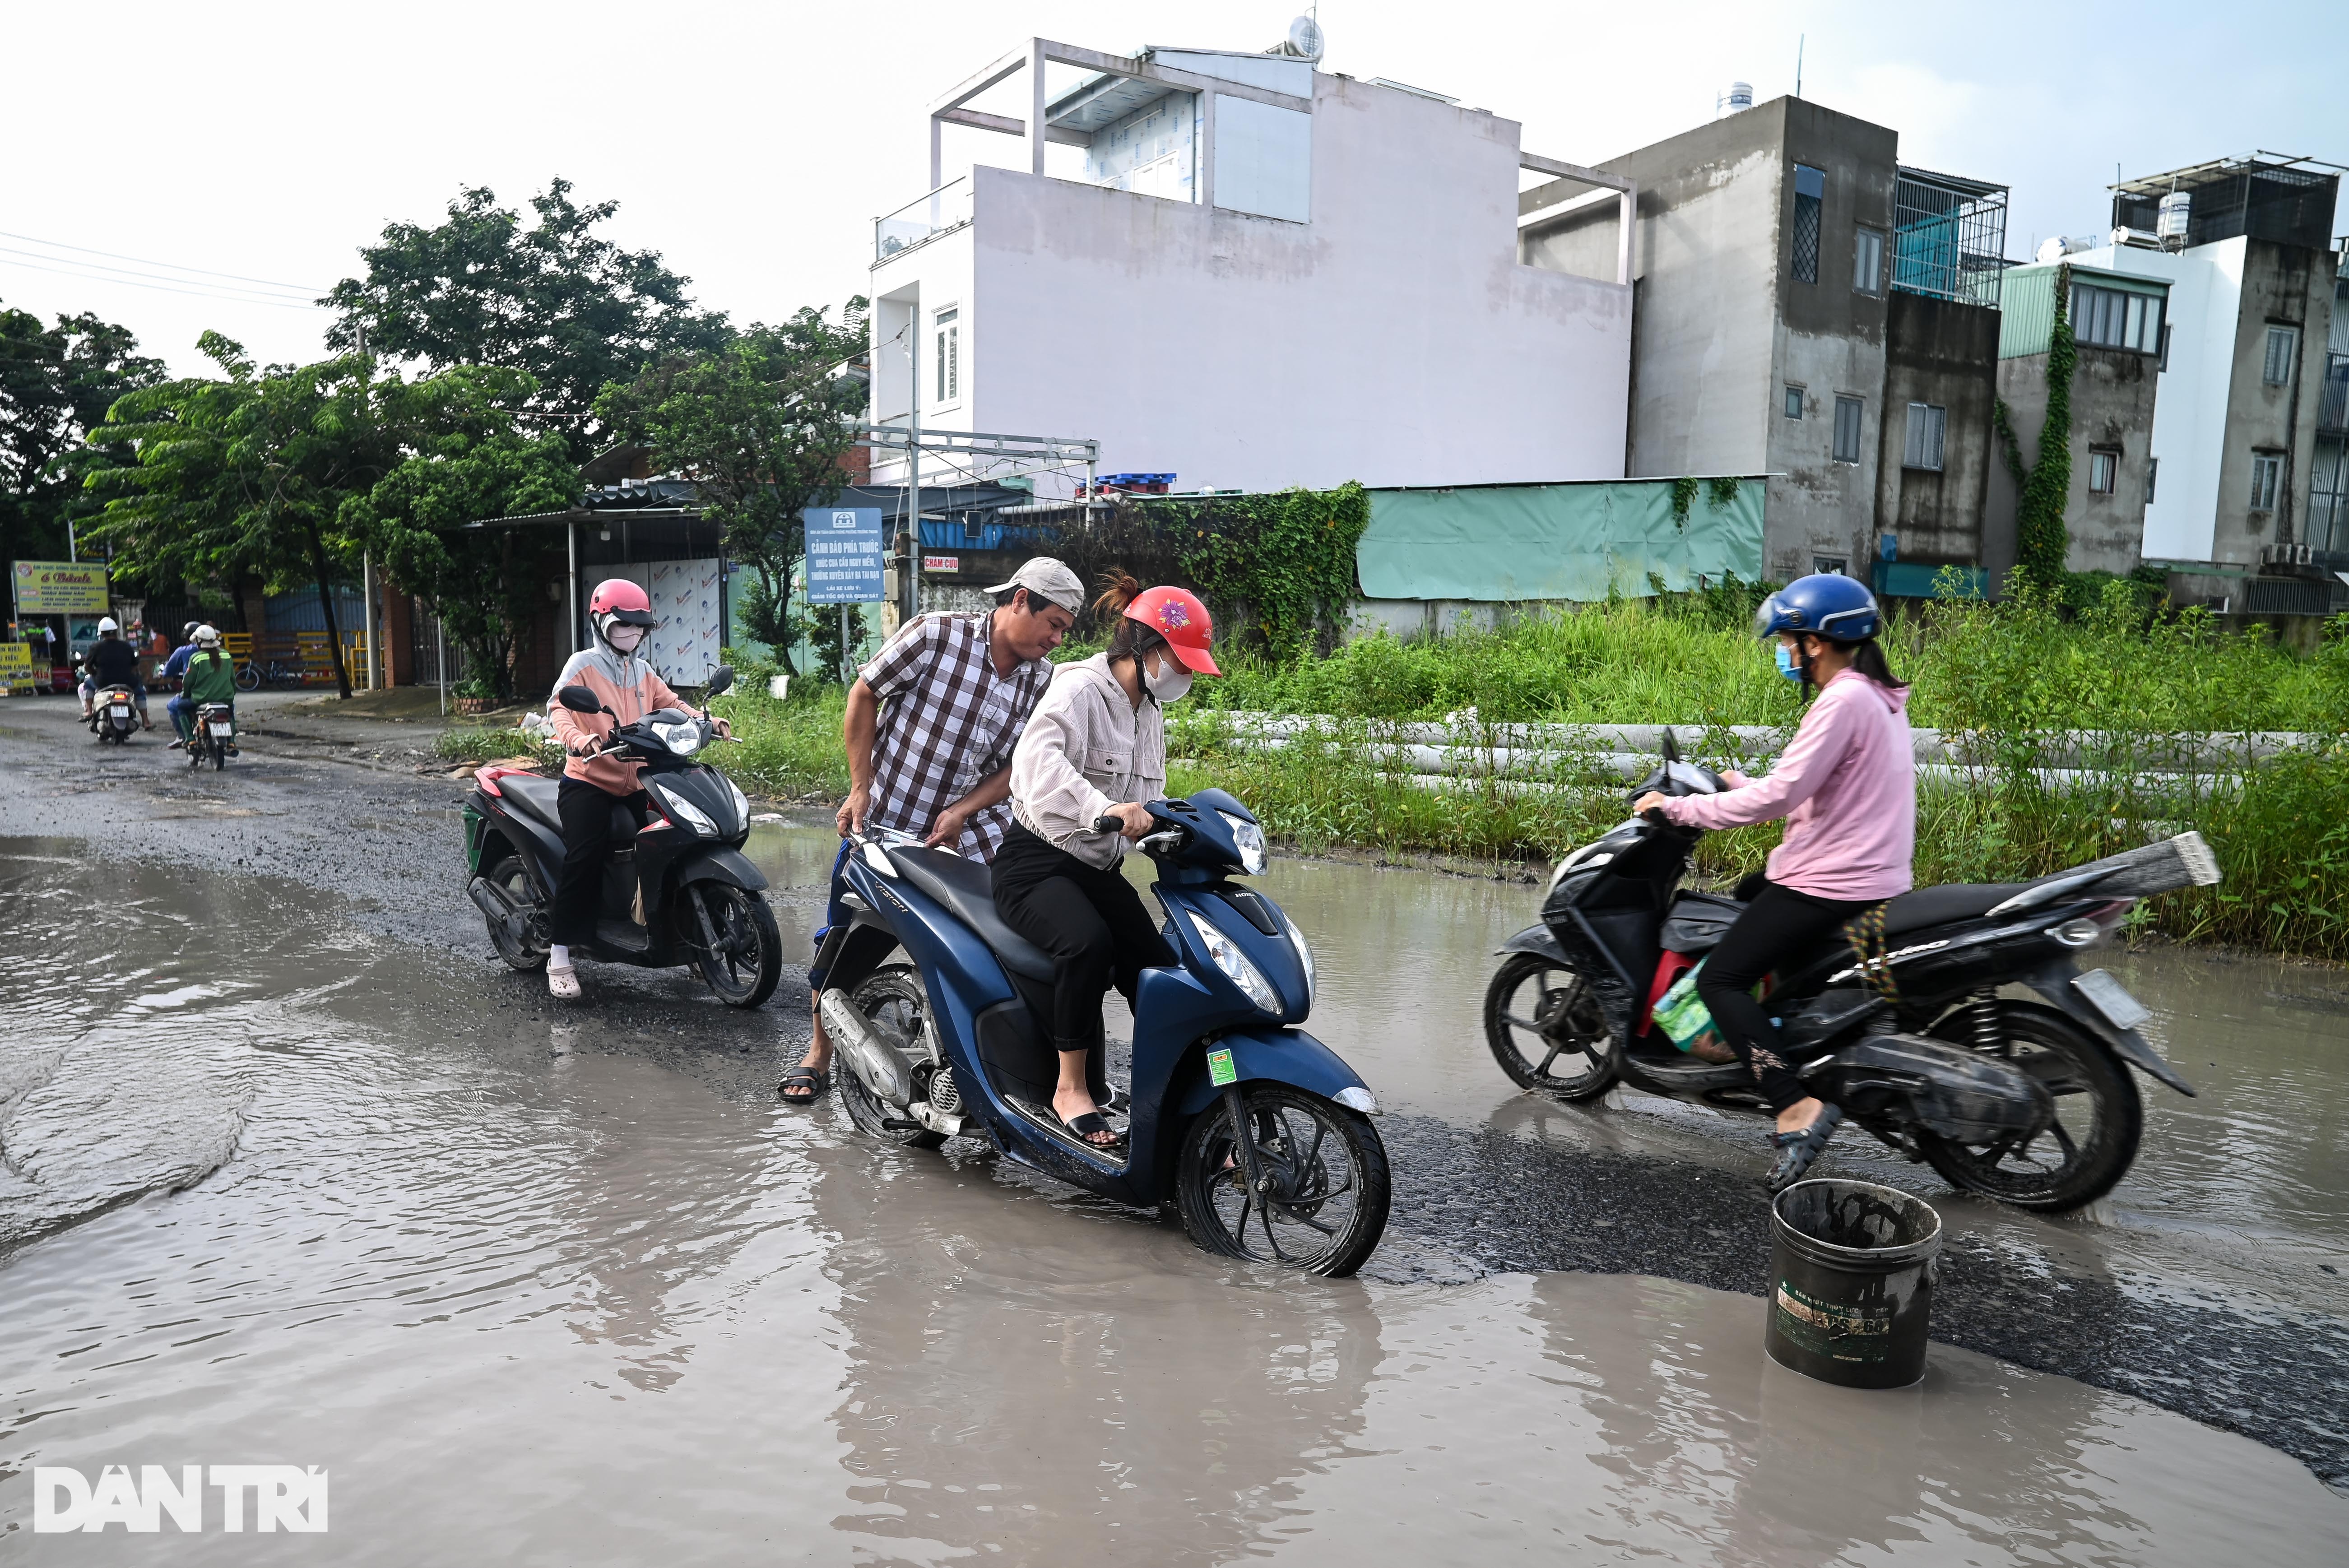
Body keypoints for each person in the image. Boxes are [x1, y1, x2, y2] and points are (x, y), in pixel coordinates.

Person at [1632, 573, 1915, 1191]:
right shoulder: (1880, 695)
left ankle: (1792, 1101)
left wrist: (1674, 809)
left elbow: (1782, 796)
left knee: (1721, 978)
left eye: (1789, 640)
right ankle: (1790, 1039)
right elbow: (1821, 788)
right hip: (1868, 869)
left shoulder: (1841, 699)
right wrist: (1742, 785)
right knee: (1747, 895)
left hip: (1833, 878)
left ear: (1817, 641)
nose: (1786, 652)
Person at [785, 558, 1082, 1104]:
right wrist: (859, 787)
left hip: (969, 836)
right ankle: (818, 1054)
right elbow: (864, 694)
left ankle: (979, 1071)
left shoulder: (1040, 679)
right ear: (1020, 601)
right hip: (888, 823)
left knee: (989, 951)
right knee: (847, 941)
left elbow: (1017, 766)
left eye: (1065, 631)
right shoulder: (935, 633)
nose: (1057, 640)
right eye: (1054, 623)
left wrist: (965, 809)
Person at [992, 573, 1220, 1147]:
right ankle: (1070, 1090)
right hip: (1036, 864)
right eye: (1182, 661)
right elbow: (1035, 766)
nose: (1187, 675)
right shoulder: (1079, 690)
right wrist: (1106, 808)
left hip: (1097, 869)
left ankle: (1194, 1099)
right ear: (1145, 649)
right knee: (1087, 944)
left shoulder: (1148, 710)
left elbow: (1149, 798)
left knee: (1159, 969)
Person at [542, 580, 727, 1000]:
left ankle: (687, 937)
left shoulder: (643, 671)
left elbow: (670, 703)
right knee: (584, 857)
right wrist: (578, 739)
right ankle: (560, 954)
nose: (633, 633)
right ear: (601, 622)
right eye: (624, 625)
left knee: (678, 840)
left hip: (639, 778)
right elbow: (559, 707)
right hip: (590, 781)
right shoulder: (582, 665)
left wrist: (705, 721)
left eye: (640, 626)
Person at [168, 626, 240, 751]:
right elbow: (232, 679)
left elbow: (188, 681)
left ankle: (190, 739)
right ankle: (232, 742)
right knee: (230, 712)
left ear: (200, 641)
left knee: (180, 707)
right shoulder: (227, 656)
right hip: (225, 699)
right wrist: (231, 694)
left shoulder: (197, 658)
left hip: (200, 699)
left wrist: (185, 694)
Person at [78, 617, 151, 731]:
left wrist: (95, 674)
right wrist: (128, 674)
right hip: (128, 682)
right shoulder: (127, 646)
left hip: (103, 682)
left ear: (102, 634)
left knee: (87, 682)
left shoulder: (96, 647)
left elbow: (87, 667)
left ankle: (89, 711)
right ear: (116, 632)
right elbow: (135, 665)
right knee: (139, 691)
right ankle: (146, 722)